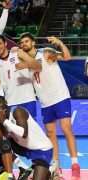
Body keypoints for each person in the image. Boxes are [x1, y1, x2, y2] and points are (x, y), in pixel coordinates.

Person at [18, 33, 80, 179]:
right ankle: (56, 165)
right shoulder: (24, 60)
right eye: (21, 43)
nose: (23, 44)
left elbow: (67, 57)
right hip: (45, 102)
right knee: (50, 133)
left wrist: (59, 43)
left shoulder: (45, 53)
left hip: (60, 96)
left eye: (26, 41)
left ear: (33, 42)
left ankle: (75, 163)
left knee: (66, 128)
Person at [0, 96, 53, 180]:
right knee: (3, 144)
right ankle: (19, 168)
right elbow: (1, 140)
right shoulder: (0, 119)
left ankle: (48, 173)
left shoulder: (17, 111)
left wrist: (4, 122)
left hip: (42, 151)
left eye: (0, 103)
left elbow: (24, 133)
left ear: (6, 102)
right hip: (26, 149)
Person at [0, 35, 41, 117]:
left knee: (32, 129)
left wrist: (24, 65)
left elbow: (37, 66)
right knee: (15, 129)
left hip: (27, 99)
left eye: (0, 44)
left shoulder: (18, 53)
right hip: (10, 102)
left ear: (5, 44)